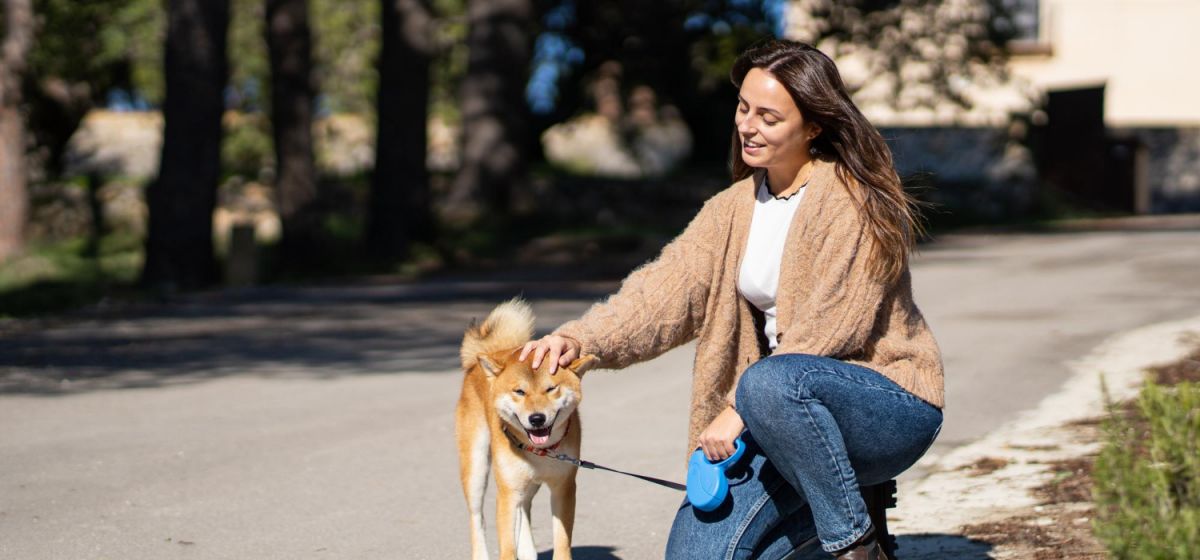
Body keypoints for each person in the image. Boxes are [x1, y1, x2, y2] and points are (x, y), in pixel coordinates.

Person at [519, 39, 944, 560]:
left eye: (768, 116)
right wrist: (579, 339)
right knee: (695, 554)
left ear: (813, 126)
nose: (747, 125)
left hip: (885, 407)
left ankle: (856, 546)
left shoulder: (849, 199)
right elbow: (661, 294)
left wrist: (740, 406)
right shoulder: (730, 210)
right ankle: (819, 525)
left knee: (772, 380)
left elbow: (830, 330)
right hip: (777, 416)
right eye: (744, 108)